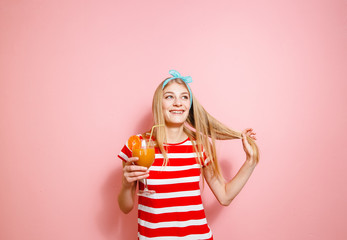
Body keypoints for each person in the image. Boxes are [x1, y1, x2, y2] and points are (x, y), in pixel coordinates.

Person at [117, 70, 259, 240]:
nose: (178, 103)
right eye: (169, 97)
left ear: (190, 105)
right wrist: (126, 185)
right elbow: (125, 207)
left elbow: (225, 196)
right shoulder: (137, 145)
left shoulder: (199, 146)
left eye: (184, 97)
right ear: (158, 103)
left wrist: (250, 162)